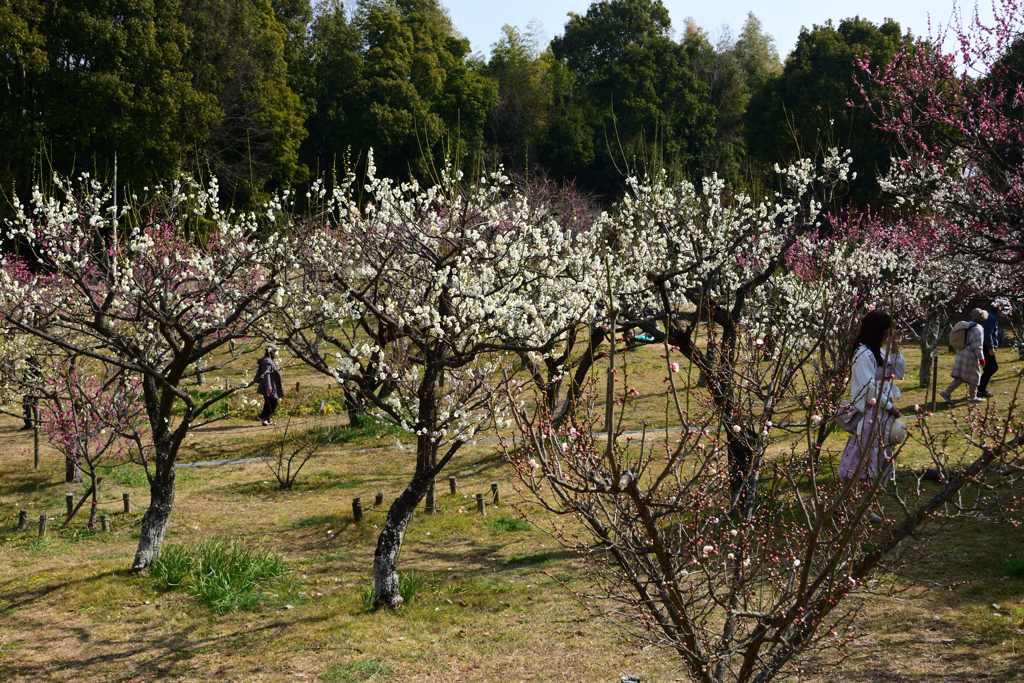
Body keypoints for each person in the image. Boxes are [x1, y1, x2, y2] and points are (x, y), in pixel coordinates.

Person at [838, 310, 907, 489]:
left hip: (880, 415)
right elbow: (869, 390)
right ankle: (849, 504)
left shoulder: (880, 352)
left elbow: (898, 373)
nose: (889, 333)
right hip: (870, 414)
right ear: (879, 330)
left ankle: (862, 506)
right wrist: (890, 407)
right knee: (862, 458)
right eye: (887, 330)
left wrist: (895, 347)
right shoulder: (863, 355)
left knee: (874, 458)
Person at [940, 308, 987, 404]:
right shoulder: (978, 329)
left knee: (962, 376)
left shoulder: (968, 325)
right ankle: (973, 397)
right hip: (971, 355)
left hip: (962, 351)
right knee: (975, 376)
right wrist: (982, 359)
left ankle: (947, 392)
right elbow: (978, 346)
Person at [978, 300, 1009, 398]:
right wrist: (990, 347)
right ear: (999, 308)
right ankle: (980, 389)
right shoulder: (992, 318)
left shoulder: (992, 316)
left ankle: (979, 387)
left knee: (991, 368)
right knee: (991, 368)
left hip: (985, 346)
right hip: (987, 347)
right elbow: (988, 333)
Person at [253, 345, 284, 425]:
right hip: (268, 386)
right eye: (275, 351)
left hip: (271, 385)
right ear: (271, 352)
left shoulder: (270, 360)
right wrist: (269, 387)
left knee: (268, 403)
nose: (277, 353)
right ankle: (262, 416)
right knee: (273, 403)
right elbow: (266, 375)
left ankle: (266, 420)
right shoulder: (267, 362)